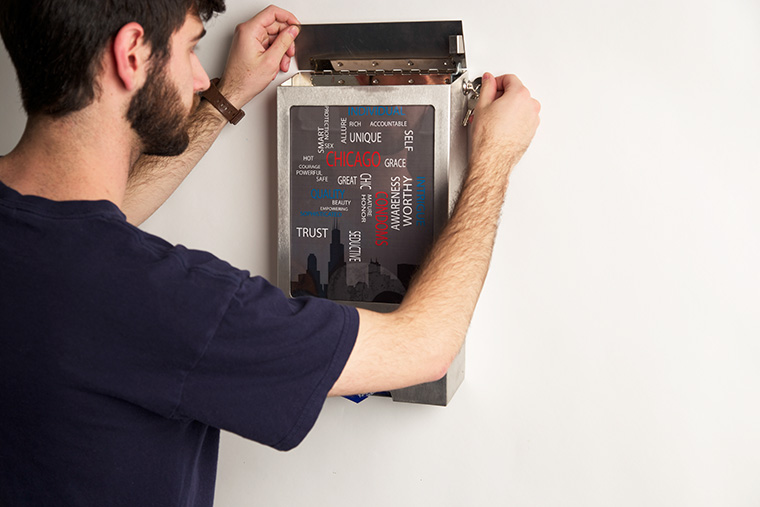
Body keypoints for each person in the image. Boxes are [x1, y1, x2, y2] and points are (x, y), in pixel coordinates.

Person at [0, 1, 540, 505]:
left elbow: (89, 224)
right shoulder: (173, 306)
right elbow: (423, 350)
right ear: (133, 52)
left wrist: (228, 94)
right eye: (191, 48)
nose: (198, 77)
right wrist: (494, 156)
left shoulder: (47, 244)